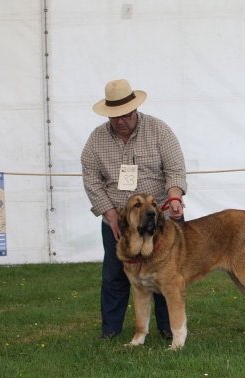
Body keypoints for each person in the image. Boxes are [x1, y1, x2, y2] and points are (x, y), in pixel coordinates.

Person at [81, 79, 187, 340]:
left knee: (168, 276)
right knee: (114, 275)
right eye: (114, 115)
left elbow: (175, 169)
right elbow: (91, 179)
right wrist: (110, 213)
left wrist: (174, 197)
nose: (121, 120)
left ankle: (167, 328)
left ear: (135, 109)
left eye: (126, 114)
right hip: (120, 220)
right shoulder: (95, 140)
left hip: (161, 215)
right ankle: (111, 329)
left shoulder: (159, 130)